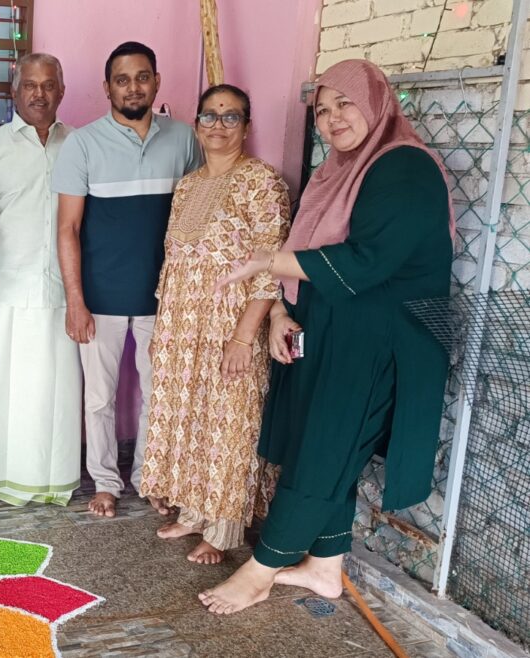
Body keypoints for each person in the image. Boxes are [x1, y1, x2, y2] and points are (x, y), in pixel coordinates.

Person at [204, 59, 453, 613]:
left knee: (324, 450)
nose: (333, 118)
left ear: (377, 103)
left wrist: (268, 261)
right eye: (322, 110)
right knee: (317, 445)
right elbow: (309, 255)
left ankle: (261, 570)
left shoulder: (404, 167)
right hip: (333, 328)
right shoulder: (337, 170)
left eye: (345, 103)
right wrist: (279, 314)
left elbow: (367, 260)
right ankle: (323, 568)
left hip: (380, 341)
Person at [139, 84, 290, 564]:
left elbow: (270, 267)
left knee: (228, 422)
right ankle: (194, 511)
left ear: (247, 126)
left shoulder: (263, 182)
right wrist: (164, 329)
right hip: (182, 321)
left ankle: (223, 530)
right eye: (209, 116)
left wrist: (244, 337)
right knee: (188, 416)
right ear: (196, 125)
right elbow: (173, 260)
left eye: (231, 116)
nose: (218, 125)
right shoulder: (188, 185)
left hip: (231, 321)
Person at [53, 41, 201, 518]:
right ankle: (105, 483)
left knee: (159, 395)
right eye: (122, 79)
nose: (133, 87)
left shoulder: (184, 139)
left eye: (142, 77)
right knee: (99, 399)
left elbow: (196, 216)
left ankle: (148, 478)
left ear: (156, 82)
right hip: (100, 297)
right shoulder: (82, 144)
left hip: (166, 297)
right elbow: (67, 228)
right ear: (107, 88)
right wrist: (75, 300)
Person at [0, 53, 80, 506]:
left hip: (62, 292)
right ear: (14, 92)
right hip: (2, 291)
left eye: (48, 85)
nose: (39, 94)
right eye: (30, 85)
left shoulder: (80, 145)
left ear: (61, 91)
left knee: (53, 393)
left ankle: (52, 481)